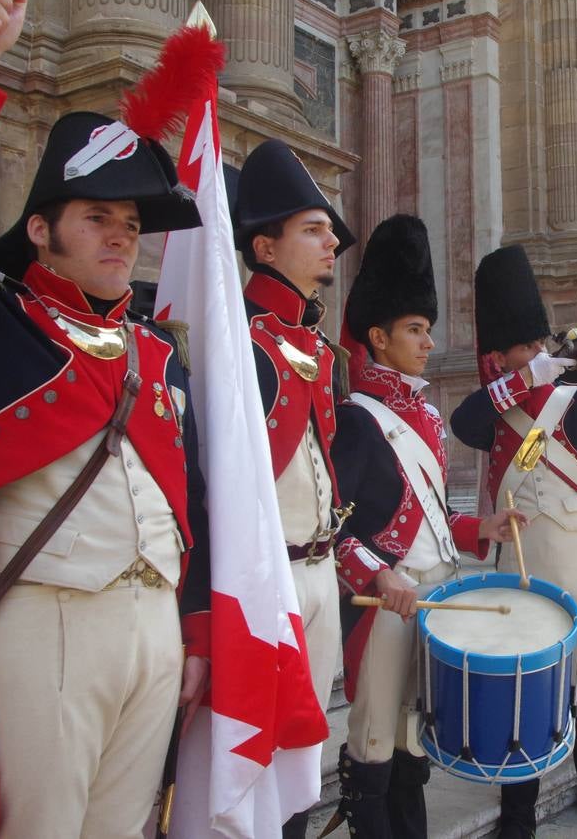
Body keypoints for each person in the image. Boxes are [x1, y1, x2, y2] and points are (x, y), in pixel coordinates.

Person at [0, 0, 216, 835]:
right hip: (47, 627)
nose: (118, 237)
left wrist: (196, 629)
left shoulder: (154, 351)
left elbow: (192, 500)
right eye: (97, 217)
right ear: (40, 229)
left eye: (131, 225)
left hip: (153, 633)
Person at [325, 215, 524, 837]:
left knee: (416, 731)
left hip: (436, 588)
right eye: (415, 329)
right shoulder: (354, 418)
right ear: (378, 337)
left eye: (429, 329)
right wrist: (377, 574)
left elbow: (432, 514)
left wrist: (479, 530)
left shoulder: (430, 420)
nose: (429, 342)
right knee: (377, 735)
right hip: (385, 597)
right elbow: (333, 524)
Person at [450, 245, 577, 839]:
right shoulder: (497, 407)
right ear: (500, 355)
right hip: (526, 565)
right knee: (522, 702)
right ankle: (517, 826)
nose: (538, 355)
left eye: (540, 346)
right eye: (525, 349)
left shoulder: (574, 401)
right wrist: (520, 381)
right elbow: (466, 422)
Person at [232, 138, 357, 838]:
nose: (330, 242)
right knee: (255, 755)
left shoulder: (314, 347)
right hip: (266, 573)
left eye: (329, 231)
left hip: (317, 568)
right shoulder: (243, 340)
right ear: (265, 248)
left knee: (304, 760)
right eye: (313, 229)